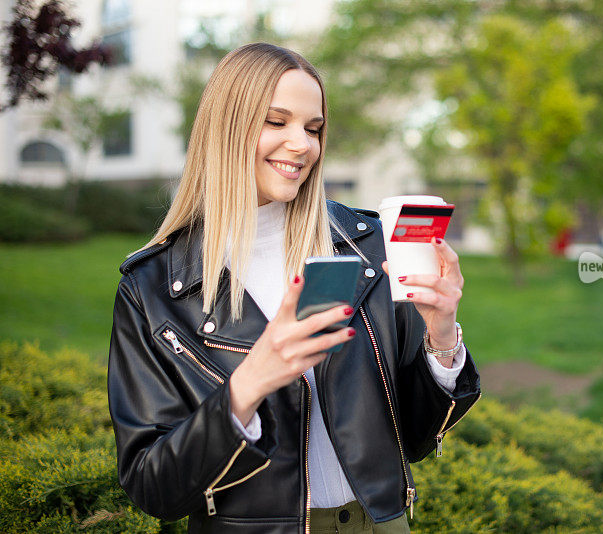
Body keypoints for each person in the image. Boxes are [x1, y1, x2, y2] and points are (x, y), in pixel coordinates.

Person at [108, 42, 481, 534]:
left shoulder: (365, 247)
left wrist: (442, 336)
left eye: (313, 127)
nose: (302, 144)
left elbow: (413, 438)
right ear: (226, 128)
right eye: (275, 121)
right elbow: (153, 487)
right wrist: (249, 383)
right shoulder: (153, 288)